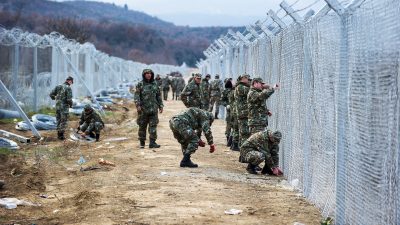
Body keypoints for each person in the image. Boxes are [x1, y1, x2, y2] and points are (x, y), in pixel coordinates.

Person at [134, 69, 163, 148]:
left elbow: (158, 96)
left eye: (150, 73)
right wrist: (138, 105)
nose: (148, 75)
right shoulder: (140, 84)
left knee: (153, 126)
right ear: (144, 75)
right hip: (143, 110)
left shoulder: (155, 84)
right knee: (142, 126)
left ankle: (152, 142)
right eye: (147, 73)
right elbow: (137, 96)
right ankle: (142, 142)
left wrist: (161, 106)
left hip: (153, 109)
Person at [49, 76, 73, 140]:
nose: (71, 83)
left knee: (58, 120)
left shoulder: (58, 86)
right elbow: (69, 99)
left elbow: (51, 94)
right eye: (71, 82)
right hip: (64, 107)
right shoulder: (68, 88)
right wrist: (71, 105)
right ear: (70, 81)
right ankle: (61, 136)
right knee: (64, 120)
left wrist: (56, 99)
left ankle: (58, 134)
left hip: (58, 106)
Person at [234, 74, 251, 147]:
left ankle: (242, 149)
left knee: (243, 133)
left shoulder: (240, 87)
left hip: (243, 113)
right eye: (247, 78)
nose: (248, 80)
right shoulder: (240, 87)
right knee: (244, 133)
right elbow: (251, 91)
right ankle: (243, 151)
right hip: (243, 114)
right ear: (242, 79)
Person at [220, 78, 233, 146]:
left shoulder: (235, 90)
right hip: (229, 109)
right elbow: (222, 100)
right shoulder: (225, 91)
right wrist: (227, 105)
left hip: (236, 109)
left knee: (234, 125)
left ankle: (232, 140)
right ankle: (228, 139)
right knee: (229, 124)